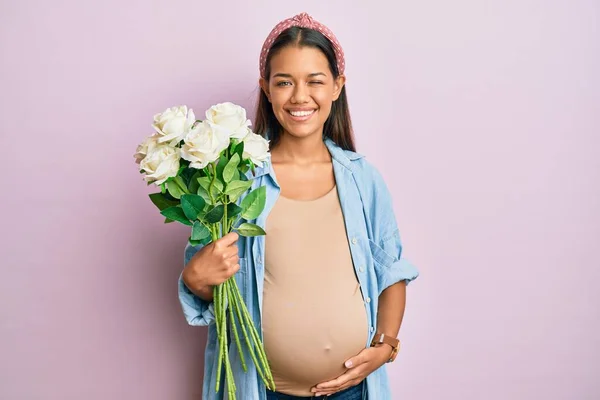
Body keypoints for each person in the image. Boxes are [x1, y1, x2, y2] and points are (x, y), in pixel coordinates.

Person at [179, 12, 419, 400]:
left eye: (315, 81)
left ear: (338, 87)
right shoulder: (234, 182)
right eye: (284, 82)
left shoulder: (363, 180)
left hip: (352, 391)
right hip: (259, 389)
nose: (299, 96)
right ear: (266, 89)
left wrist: (385, 346)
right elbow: (208, 284)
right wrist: (195, 278)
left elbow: (392, 271)